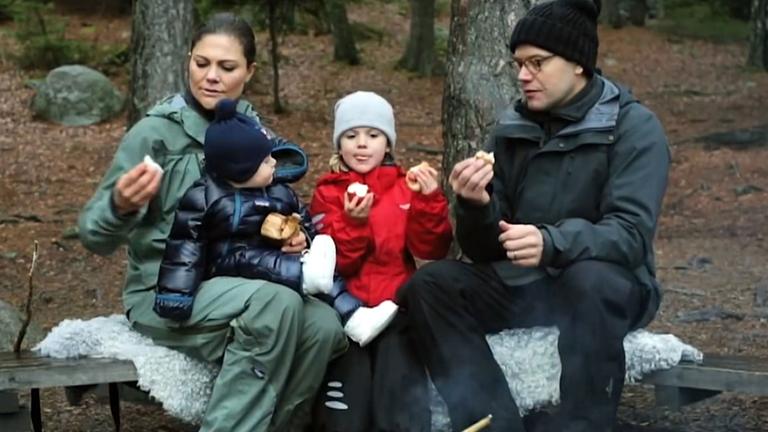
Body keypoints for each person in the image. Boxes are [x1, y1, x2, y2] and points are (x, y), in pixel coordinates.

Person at [397, 0, 671, 431]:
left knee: (590, 280)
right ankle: (492, 422)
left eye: (538, 63)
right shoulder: (513, 128)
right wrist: (476, 205)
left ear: (578, 63)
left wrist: (551, 242)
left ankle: (582, 424)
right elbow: (483, 248)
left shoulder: (633, 128)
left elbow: (630, 234)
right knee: (431, 285)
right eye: (519, 64)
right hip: (528, 285)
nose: (524, 76)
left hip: (608, 286)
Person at [77, 13, 347, 432]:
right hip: (169, 293)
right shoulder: (155, 135)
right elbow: (93, 233)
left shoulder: (258, 136)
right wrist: (119, 204)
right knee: (276, 304)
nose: (211, 77)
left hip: (247, 279)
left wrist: (296, 239)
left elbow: (283, 212)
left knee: (324, 326)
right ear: (188, 60)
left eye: (227, 67)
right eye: (201, 63)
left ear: (250, 72)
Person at [155, 98, 400, 346]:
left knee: (320, 268)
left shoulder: (279, 191)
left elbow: (306, 224)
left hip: (277, 263)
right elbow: (185, 247)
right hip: (225, 266)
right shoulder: (206, 197)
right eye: (264, 161)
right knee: (252, 257)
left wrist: (304, 238)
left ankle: (355, 318)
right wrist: (176, 299)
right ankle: (306, 274)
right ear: (241, 170)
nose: (274, 162)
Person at [309, 91, 454, 431]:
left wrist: (429, 201)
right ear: (338, 144)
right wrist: (353, 222)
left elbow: (432, 248)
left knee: (399, 399)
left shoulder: (407, 187)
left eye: (373, 135)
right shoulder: (327, 192)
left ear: (387, 143)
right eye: (351, 135)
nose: (362, 144)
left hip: (396, 310)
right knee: (346, 407)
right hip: (345, 314)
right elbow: (333, 266)